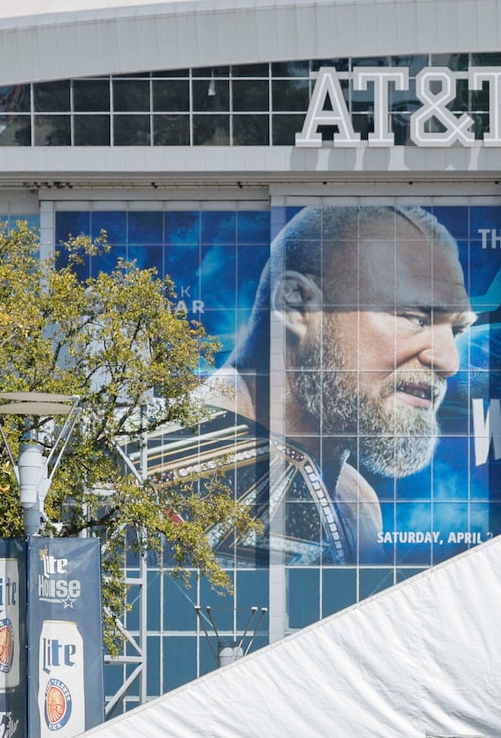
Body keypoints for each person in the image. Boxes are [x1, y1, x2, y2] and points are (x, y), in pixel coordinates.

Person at [163, 203, 474, 565]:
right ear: (297, 308)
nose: (449, 362)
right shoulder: (159, 464)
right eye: (416, 317)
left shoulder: (355, 501)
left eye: (456, 329)